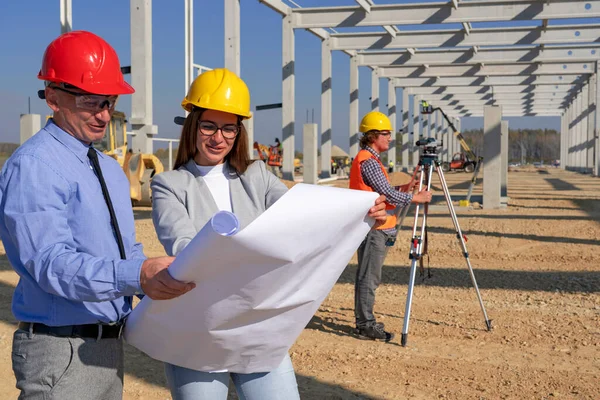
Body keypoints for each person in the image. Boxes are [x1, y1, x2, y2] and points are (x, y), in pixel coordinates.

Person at [150, 68, 389, 400]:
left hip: (256, 328)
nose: (218, 137)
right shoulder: (170, 185)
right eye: (208, 125)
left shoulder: (258, 175)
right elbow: (183, 244)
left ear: (239, 131)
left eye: (228, 128)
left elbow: (304, 214)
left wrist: (360, 212)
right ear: (192, 124)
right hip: (199, 329)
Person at [0, 30, 195, 399]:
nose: (104, 114)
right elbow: (50, 264)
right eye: (92, 101)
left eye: (109, 101)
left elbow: (125, 250)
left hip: (105, 347)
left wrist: (159, 280)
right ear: (54, 98)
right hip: (60, 351)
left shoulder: (105, 168)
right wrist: (136, 274)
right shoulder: (34, 166)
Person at [349, 111, 433, 342]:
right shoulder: (369, 161)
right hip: (374, 228)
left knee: (369, 277)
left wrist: (406, 187)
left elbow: (381, 192)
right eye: (386, 134)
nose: (389, 138)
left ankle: (365, 321)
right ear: (373, 135)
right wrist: (416, 198)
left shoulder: (371, 160)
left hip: (377, 226)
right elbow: (385, 193)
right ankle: (365, 325)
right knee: (368, 278)